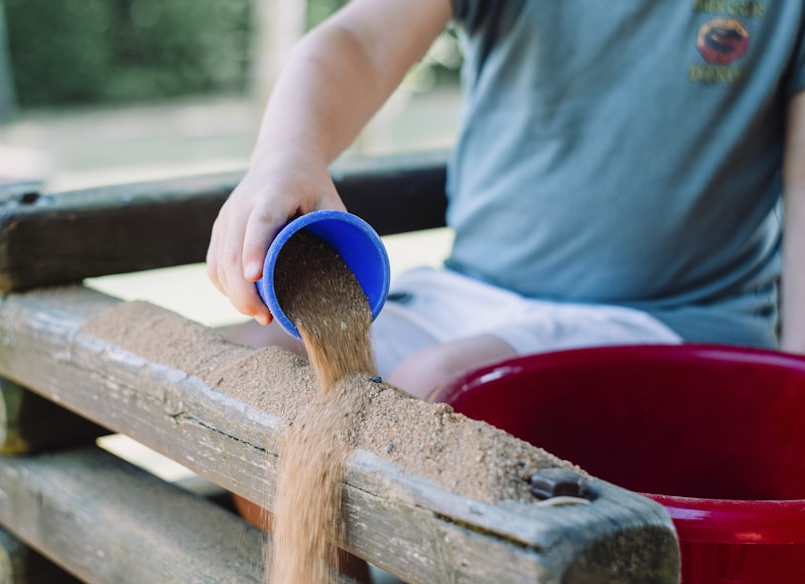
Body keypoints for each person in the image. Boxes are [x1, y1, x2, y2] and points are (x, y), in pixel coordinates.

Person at [207, 0, 805, 402]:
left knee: (443, 385)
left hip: (673, 317)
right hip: (472, 291)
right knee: (259, 366)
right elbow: (359, 40)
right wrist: (289, 154)